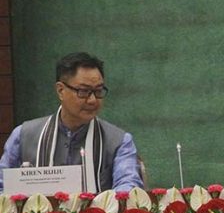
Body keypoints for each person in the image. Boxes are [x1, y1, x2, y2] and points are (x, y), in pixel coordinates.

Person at [0, 52, 144, 193]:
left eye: (98, 91)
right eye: (83, 91)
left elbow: (128, 190)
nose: (92, 100)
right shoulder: (23, 136)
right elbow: (2, 187)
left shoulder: (119, 141)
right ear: (61, 90)